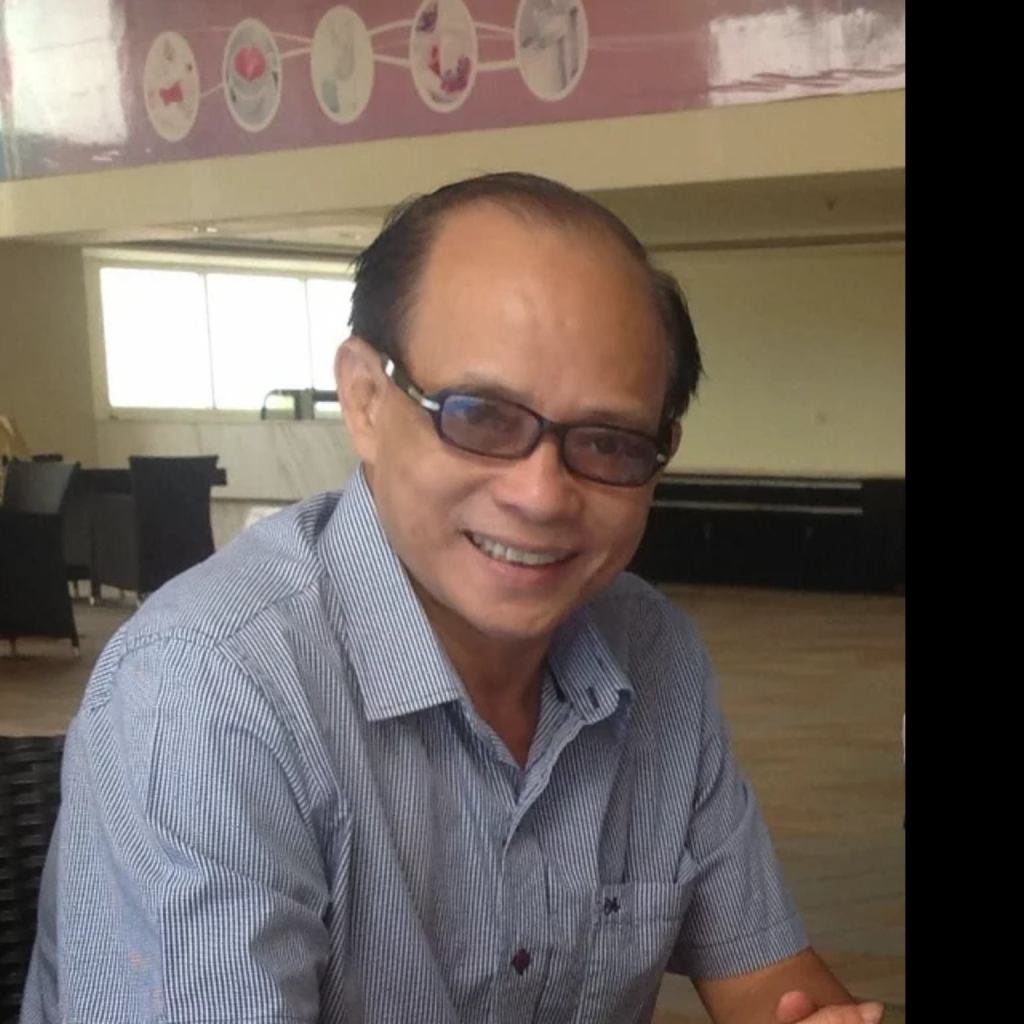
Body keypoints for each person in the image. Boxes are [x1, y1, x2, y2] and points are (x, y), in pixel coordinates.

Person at [22, 173, 885, 1024]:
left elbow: (770, 980)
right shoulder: (207, 693)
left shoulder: (653, 655)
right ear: (365, 401)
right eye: (479, 416)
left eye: (608, 442)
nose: (541, 495)